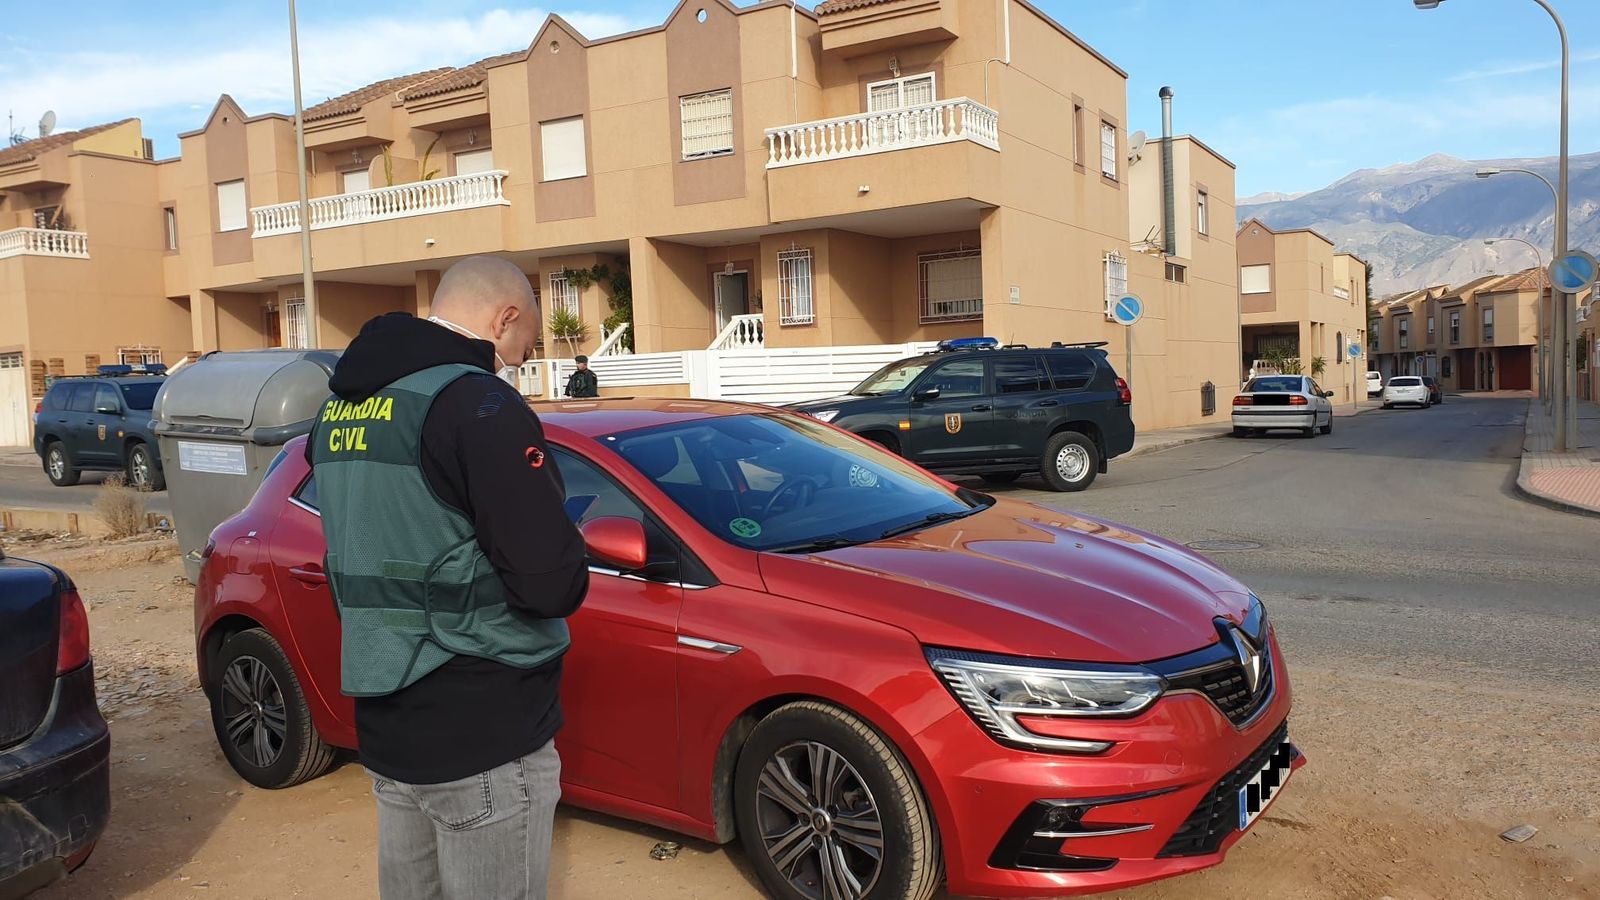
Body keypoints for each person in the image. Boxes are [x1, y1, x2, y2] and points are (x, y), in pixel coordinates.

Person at [305, 256, 588, 900]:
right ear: (504, 316)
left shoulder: (342, 408)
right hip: (482, 715)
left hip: (387, 713)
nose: (519, 357)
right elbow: (549, 581)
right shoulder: (477, 402)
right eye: (524, 341)